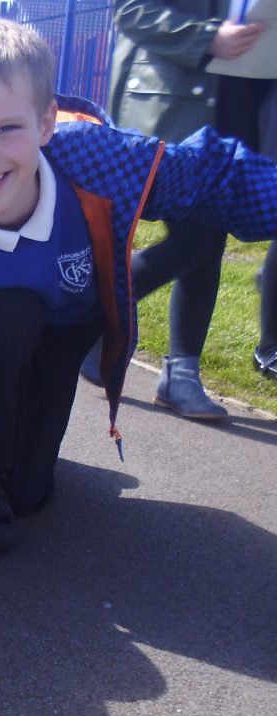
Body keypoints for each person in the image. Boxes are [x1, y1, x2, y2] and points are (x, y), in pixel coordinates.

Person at [0, 17, 277, 569]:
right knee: (8, 314)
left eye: (7, 128)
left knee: (30, 495)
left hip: (71, 319)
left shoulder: (98, 159)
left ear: (46, 122)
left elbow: (210, 175)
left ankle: (23, 445)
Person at [85, 0, 276, 416]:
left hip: (247, 100)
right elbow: (132, 10)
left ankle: (177, 371)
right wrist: (207, 38)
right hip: (181, 101)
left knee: (209, 237)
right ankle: (93, 316)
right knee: (196, 241)